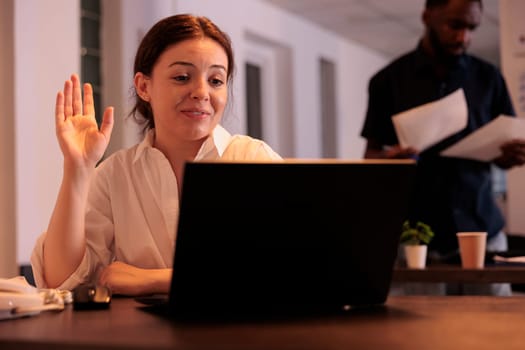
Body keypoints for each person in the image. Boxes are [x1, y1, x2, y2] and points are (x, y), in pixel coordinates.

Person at [31, 14, 282, 296]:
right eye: (182, 77)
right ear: (143, 86)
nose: (201, 92)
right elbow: (61, 282)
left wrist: (151, 279)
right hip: (140, 340)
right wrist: (77, 169)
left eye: (215, 80)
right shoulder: (116, 175)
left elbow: (288, 270)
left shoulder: (253, 159)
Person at [360, 0, 525, 295]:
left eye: (471, 28)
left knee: (492, 333)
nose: (464, 37)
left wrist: (509, 156)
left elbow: (505, 151)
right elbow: (371, 156)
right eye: (455, 25)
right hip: (418, 235)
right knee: (422, 337)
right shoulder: (388, 81)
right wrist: (390, 159)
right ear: (427, 16)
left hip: (481, 230)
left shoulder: (489, 78)